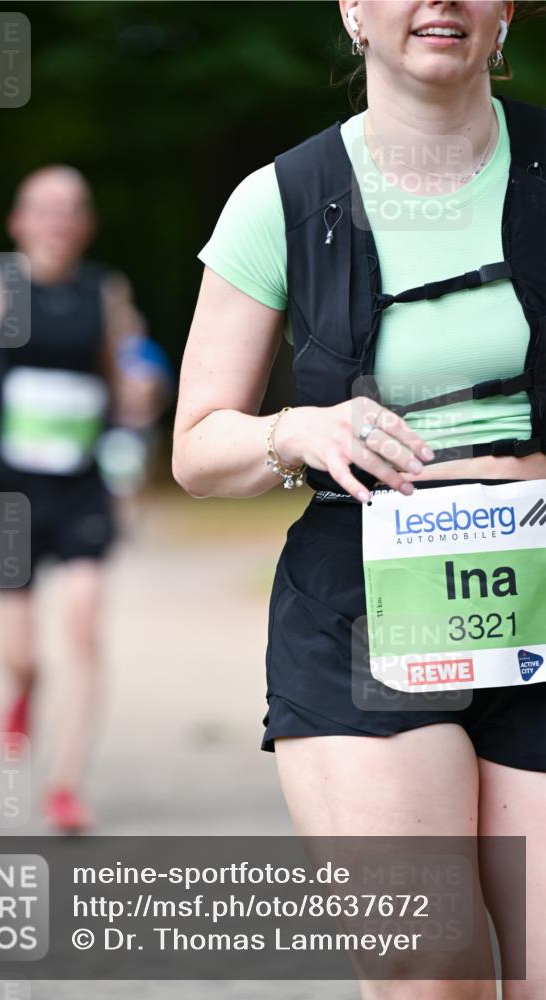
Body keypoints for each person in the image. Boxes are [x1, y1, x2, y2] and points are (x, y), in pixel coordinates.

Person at [172, 2, 545, 997]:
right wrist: (291, 430)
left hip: (543, 600)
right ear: (353, 12)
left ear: (504, 11)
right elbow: (198, 448)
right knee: (431, 966)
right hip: (362, 608)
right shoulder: (283, 198)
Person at [0, 165, 170, 832]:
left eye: (72, 209)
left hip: (79, 482)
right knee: (20, 651)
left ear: (86, 224)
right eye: (44, 209)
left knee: (83, 624)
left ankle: (64, 784)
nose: (58, 221)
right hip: (6, 488)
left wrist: (141, 395)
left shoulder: (103, 291)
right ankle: (22, 690)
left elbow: (129, 372)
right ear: (18, 222)